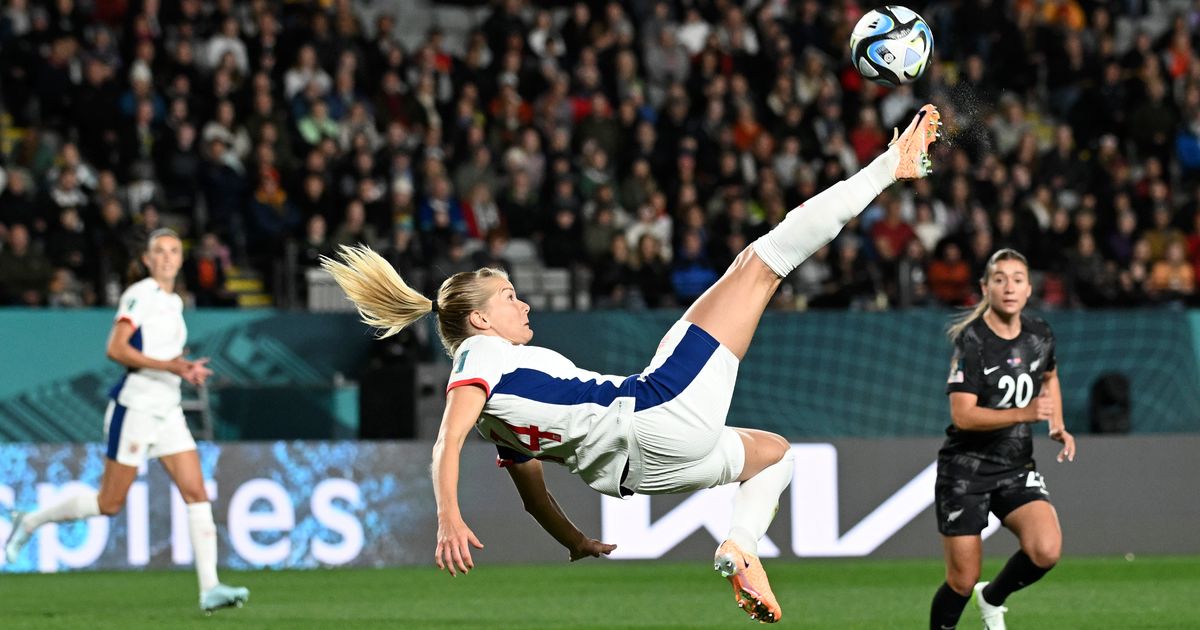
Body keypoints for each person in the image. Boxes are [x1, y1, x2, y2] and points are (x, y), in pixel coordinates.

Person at [321, 106, 943, 624]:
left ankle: (740, 548)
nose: (523, 302)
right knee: (765, 258)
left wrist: (576, 543)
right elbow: (446, 436)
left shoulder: (499, 415)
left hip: (633, 475)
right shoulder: (482, 354)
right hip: (657, 409)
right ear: (479, 320)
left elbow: (533, 493)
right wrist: (448, 515)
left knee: (775, 455)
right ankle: (893, 165)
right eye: (509, 296)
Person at [4, 229, 250, 614]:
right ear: (148, 260)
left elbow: (162, 353)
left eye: (173, 251)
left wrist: (180, 368)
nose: (167, 257)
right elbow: (115, 348)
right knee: (109, 502)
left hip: (167, 409)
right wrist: (171, 365)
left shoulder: (174, 302)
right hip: (135, 408)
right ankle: (31, 521)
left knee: (197, 493)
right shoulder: (141, 294)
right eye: (160, 252)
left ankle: (210, 588)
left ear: (181, 259)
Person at [929, 248, 1077, 630]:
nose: (1008, 287)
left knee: (1046, 550)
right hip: (965, 471)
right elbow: (962, 415)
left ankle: (992, 596)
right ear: (985, 288)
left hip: (1014, 466)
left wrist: (1056, 423)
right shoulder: (973, 342)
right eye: (999, 279)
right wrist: (1025, 415)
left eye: (1016, 279)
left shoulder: (1040, 334)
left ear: (1029, 289)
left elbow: (1049, 376)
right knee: (961, 580)